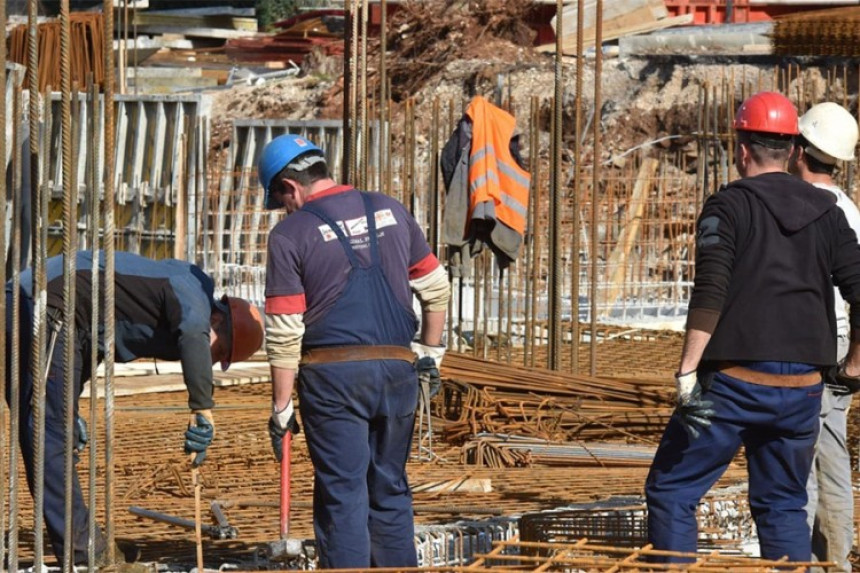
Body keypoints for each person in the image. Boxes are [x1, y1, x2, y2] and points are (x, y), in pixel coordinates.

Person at [644, 91, 860, 564]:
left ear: (742, 149)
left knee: (672, 490)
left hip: (735, 383)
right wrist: (853, 367)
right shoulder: (831, 212)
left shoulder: (728, 205)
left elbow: (710, 291)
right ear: (793, 150)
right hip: (804, 388)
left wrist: (687, 373)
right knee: (784, 505)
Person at [257, 134, 450, 568]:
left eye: (281, 200)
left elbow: (286, 331)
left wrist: (282, 407)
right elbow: (437, 289)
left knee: (343, 495)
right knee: (390, 489)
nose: (285, 210)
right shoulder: (390, 208)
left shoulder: (291, 234)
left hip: (334, 380)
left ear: (290, 186)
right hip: (399, 372)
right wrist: (430, 355)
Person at [5, 250, 264, 566]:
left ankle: (88, 547)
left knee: (50, 434)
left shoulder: (154, 304)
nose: (210, 361)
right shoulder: (191, 288)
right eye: (219, 350)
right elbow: (194, 334)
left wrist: (71, 407)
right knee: (50, 439)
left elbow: (95, 339)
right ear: (217, 319)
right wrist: (202, 408)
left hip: (52, 311)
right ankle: (88, 557)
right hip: (45, 305)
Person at [788, 101, 860, 573]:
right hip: (839, 344)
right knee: (827, 448)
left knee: (805, 453)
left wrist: (852, 365)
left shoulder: (812, 210)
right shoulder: (850, 209)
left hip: (818, 343)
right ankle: (833, 554)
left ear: (800, 150)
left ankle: (819, 561)